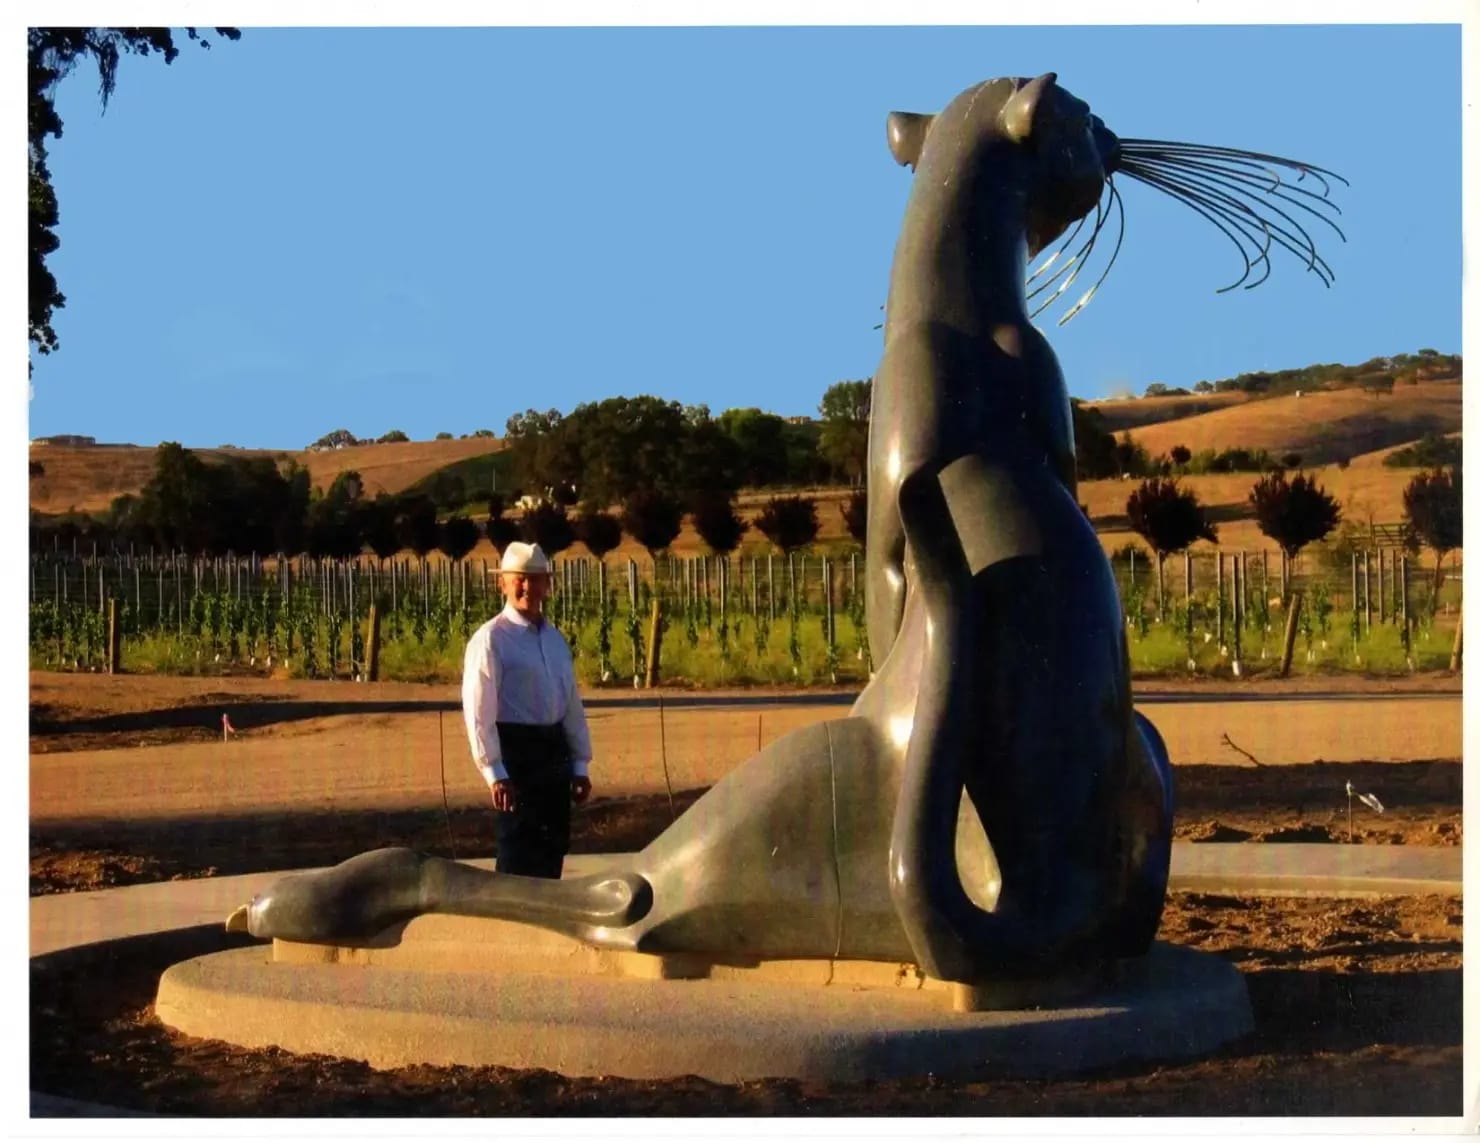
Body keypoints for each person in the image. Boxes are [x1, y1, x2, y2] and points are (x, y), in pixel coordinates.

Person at [461, 541, 593, 878]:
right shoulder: (491, 640)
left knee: (552, 848)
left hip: (554, 754)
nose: (527, 587)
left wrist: (579, 764)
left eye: (535, 579)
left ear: (547, 585)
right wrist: (494, 772)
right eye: (519, 579)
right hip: (517, 755)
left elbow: (571, 704)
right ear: (501, 583)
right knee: (518, 850)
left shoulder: (555, 640)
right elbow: (479, 712)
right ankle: (511, 930)